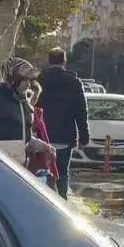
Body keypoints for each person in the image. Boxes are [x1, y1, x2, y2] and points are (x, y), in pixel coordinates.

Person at [0, 57, 54, 165]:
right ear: (14, 78)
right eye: (25, 80)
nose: (29, 85)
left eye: (30, 80)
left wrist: (44, 147)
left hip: (19, 169)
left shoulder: (24, 103)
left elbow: (25, 139)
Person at [35, 48, 89, 197]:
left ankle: (42, 200)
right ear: (64, 61)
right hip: (65, 136)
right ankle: (61, 202)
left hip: (40, 136)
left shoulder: (38, 80)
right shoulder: (73, 82)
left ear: (49, 61)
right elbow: (81, 111)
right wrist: (84, 137)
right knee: (62, 173)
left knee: (40, 172)